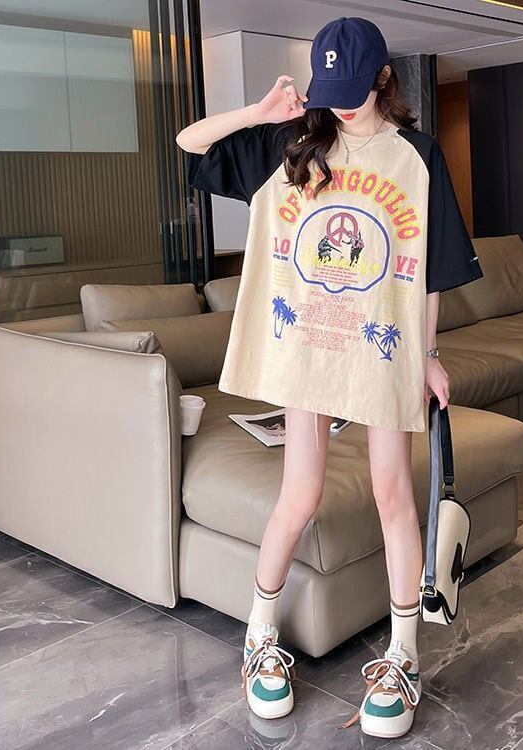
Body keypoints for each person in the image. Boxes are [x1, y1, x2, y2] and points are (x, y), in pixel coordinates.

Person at [176, 15, 482, 740]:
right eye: (330, 91)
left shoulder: (416, 155)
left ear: (383, 78)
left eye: (353, 90)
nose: (340, 106)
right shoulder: (291, 144)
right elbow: (190, 143)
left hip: (379, 348)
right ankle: (259, 636)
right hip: (307, 349)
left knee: (391, 494)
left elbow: (431, 270)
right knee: (301, 493)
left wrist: (427, 353)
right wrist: (259, 112)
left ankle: (404, 656)